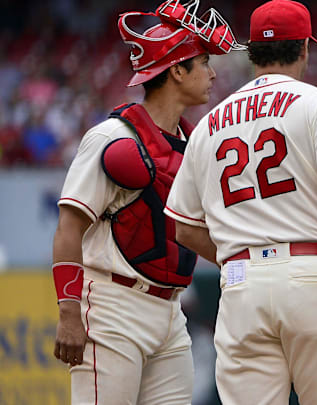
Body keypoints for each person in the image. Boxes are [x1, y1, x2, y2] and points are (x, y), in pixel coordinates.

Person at [163, 1, 317, 404]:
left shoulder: (209, 123)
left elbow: (184, 226)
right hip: (314, 275)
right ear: (305, 48)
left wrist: (242, 261)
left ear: (252, 51)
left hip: (241, 282)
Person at [51, 1, 241, 403]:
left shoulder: (194, 144)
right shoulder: (112, 138)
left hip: (171, 311)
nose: (211, 73)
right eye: (203, 62)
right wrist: (68, 311)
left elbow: (197, 233)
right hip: (112, 306)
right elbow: (69, 226)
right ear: (176, 70)